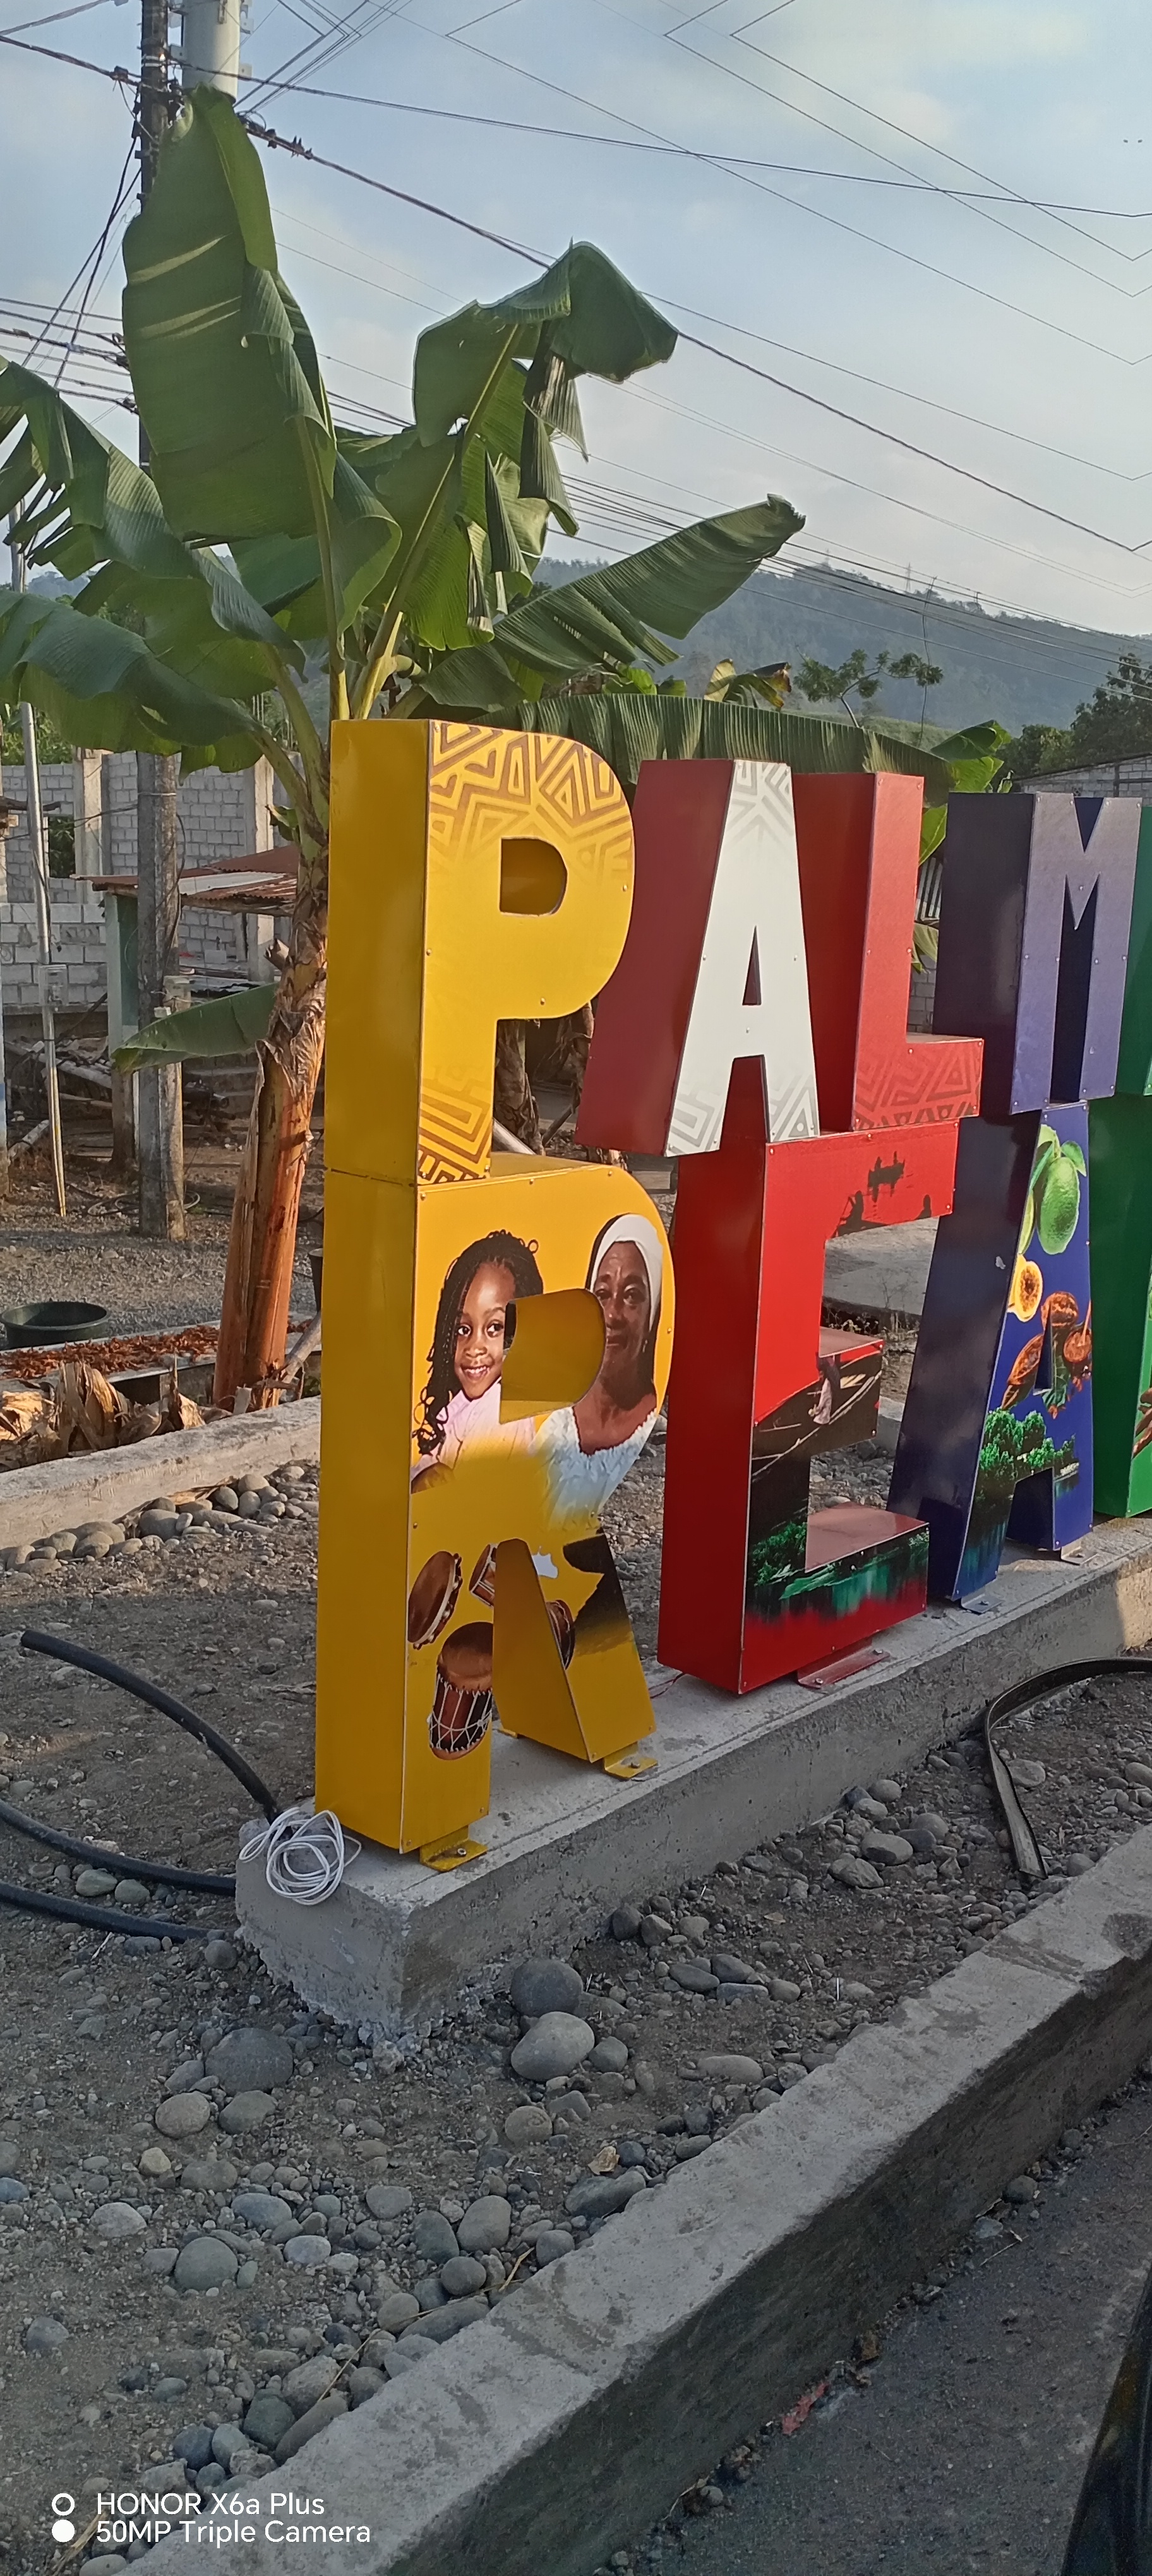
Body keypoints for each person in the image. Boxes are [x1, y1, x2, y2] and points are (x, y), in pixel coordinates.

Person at [535, 1213, 664, 1520]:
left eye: (631, 1296)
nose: (612, 1314)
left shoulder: (656, 1436)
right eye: (602, 1294)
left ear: (652, 1315)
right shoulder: (551, 1421)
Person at [414, 1231, 544, 1472]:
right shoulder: (467, 1405)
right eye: (463, 1329)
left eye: (494, 1327)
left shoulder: (498, 1413)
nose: (474, 1348)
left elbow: (463, 1493)